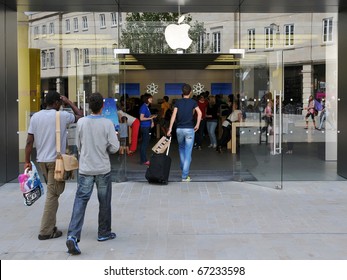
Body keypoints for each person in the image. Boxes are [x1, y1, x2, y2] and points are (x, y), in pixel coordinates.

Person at [66, 92, 120, 255]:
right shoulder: (107, 123)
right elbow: (115, 147)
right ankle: (103, 233)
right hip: (102, 168)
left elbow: (78, 145)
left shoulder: (81, 122)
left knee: (80, 201)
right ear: (102, 106)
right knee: (104, 201)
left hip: (85, 168)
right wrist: (106, 149)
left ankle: (73, 236)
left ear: (89, 106)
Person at [24, 91, 83, 240]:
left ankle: (50, 225)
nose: (61, 105)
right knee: (52, 194)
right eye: (60, 102)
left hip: (42, 160)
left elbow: (29, 141)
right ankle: (45, 231)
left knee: (53, 192)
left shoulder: (35, 117)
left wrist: (26, 161)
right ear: (56, 103)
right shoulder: (62, 116)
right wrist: (69, 101)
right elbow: (81, 116)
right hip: (56, 161)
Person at [167, 83, 202, 182]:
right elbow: (200, 113)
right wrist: (198, 124)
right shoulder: (193, 102)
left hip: (179, 130)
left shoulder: (178, 102)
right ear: (190, 92)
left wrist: (170, 128)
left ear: (182, 92)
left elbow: (173, 116)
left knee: (181, 148)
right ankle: (184, 176)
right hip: (190, 130)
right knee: (188, 152)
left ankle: (183, 168)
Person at [139, 93, 157, 166]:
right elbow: (141, 118)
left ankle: (144, 159)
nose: (151, 99)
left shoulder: (147, 107)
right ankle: (144, 160)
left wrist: (152, 121)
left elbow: (149, 116)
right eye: (150, 98)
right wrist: (150, 118)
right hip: (144, 127)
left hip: (146, 126)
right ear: (146, 99)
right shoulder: (143, 107)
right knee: (144, 144)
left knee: (145, 143)